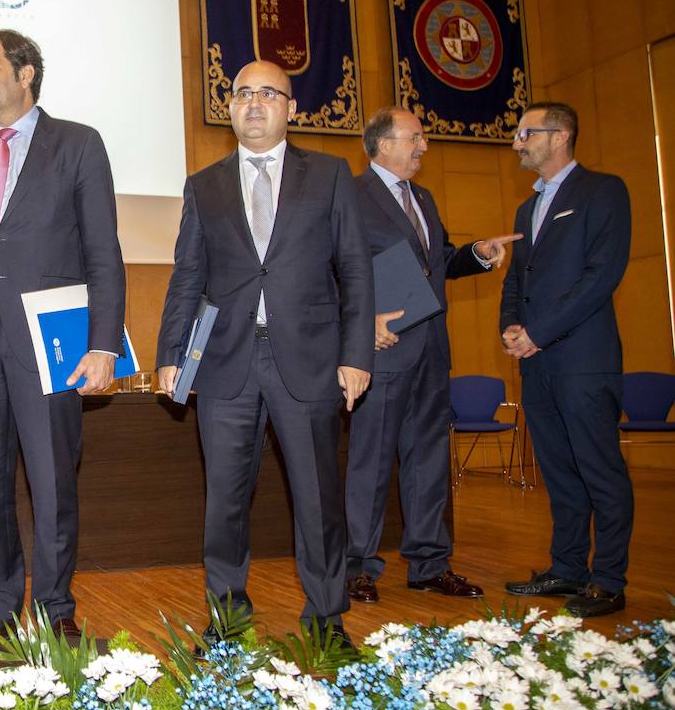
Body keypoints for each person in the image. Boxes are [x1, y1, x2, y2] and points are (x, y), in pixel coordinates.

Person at [156, 60, 373, 646]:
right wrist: (171, 353)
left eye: (269, 94)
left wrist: (357, 355)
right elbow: (187, 276)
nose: (254, 103)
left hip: (310, 359)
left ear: (291, 108)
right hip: (225, 363)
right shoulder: (203, 185)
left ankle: (326, 620)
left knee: (318, 499)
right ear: (230, 106)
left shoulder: (330, 175)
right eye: (243, 93)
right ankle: (227, 617)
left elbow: (355, 268)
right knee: (224, 501)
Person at [0, 29, 126, 657]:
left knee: (52, 482)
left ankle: (56, 612)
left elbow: (103, 252)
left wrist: (104, 343)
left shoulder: (78, 143)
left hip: (51, 343)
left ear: (26, 74)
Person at [343, 106, 521, 605]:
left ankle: (429, 564)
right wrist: (362, 325)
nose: (424, 146)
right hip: (382, 351)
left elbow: (437, 262)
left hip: (432, 349)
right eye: (415, 138)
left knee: (428, 461)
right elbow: (331, 269)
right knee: (371, 462)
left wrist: (477, 254)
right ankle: (357, 568)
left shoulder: (422, 196)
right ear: (383, 144)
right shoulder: (350, 195)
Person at [500, 101, 632, 618]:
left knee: (600, 470)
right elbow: (517, 279)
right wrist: (512, 327)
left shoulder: (603, 191)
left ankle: (609, 579)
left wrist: (540, 331)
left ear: (559, 136)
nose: (517, 142)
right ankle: (569, 568)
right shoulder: (526, 208)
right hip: (537, 363)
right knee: (558, 471)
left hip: (583, 360)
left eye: (526, 133)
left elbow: (600, 277)